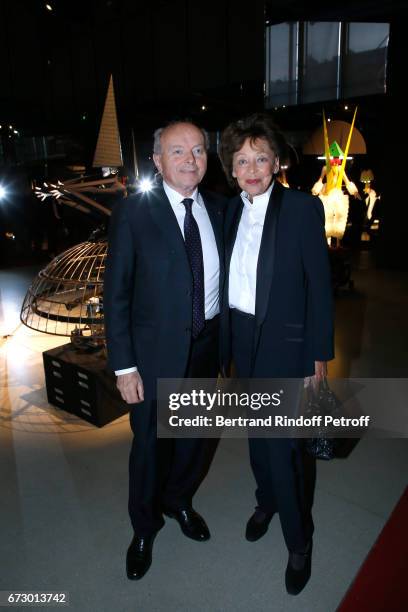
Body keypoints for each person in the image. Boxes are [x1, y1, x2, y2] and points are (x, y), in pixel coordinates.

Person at [218, 114, 334, 595]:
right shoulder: (230, 210)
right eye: (242, 160)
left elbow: (320, 289)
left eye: (260, 158)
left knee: (283, 448)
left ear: (277, 161)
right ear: (231, 167)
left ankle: (299, 542)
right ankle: (265, 501)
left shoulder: (303, 209)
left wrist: (319, 357)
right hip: (241, 341)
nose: (251, 168)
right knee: (255, 436)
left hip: (284, 348)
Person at [104, 121, 225, 580]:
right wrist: (124, 366)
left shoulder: (219, 207)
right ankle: (144, 527)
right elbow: (116, 294)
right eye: (178, 151)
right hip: (153, 357)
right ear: (157, 162)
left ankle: (179, 501)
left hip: (207, 347)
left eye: (198, 150)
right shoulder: (134, 213)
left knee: (193, 442)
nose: (190, 160)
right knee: (151, 447)